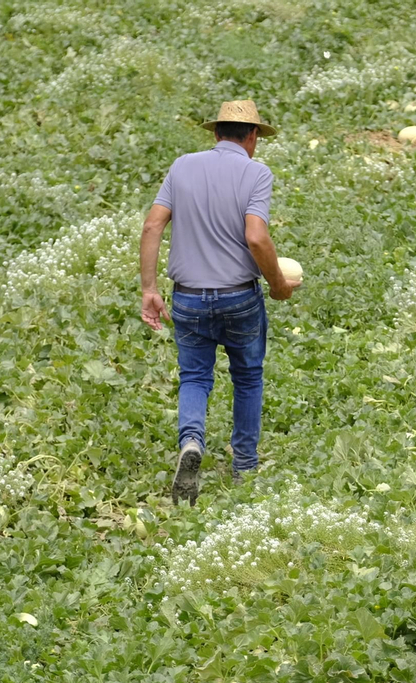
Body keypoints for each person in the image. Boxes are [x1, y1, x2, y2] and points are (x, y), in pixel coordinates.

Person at [139, 100, 300, 504]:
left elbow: (152, 224)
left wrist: (149, 289)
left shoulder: (182, 166)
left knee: (195, 376)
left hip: (189, 298)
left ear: (215, 134)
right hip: (239, 298)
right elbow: (257, 237)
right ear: (252, 137)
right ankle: (244, 463)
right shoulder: (256, 173)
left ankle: (192, 441)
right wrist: (278, 284)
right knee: (247, 376)